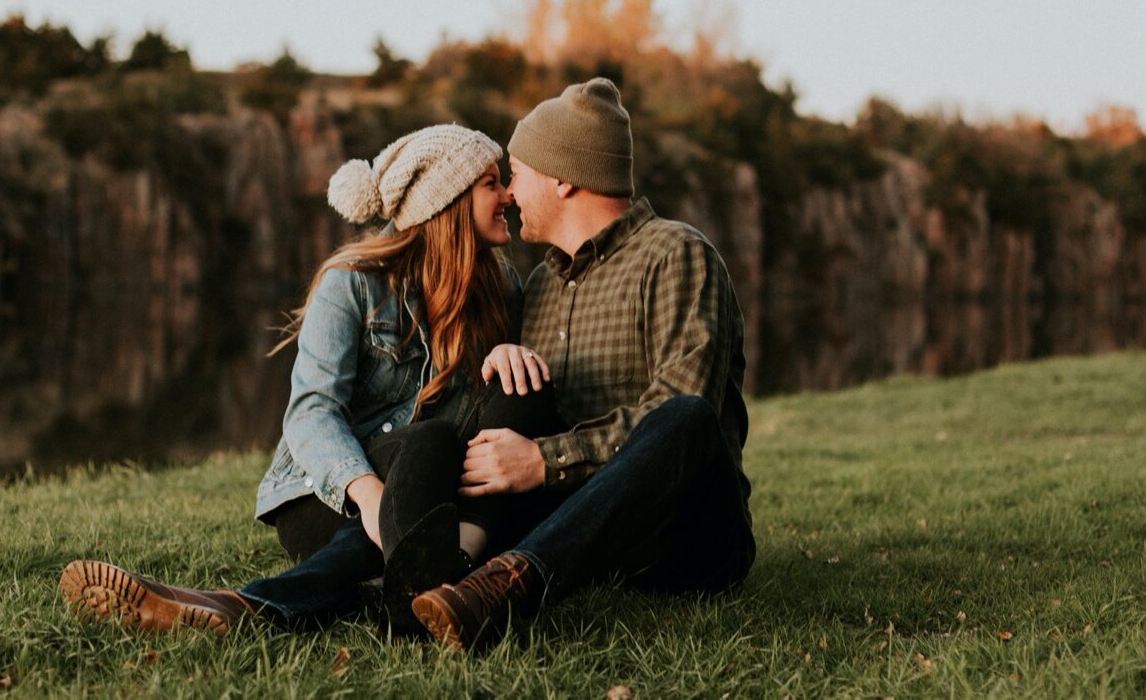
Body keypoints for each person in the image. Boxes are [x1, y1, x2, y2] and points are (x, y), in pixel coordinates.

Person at [59, 124, 559, 635]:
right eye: (491, 183)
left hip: (431, 498)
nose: (508, 196)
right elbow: (311, 412)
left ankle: (416, 585)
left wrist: (505, 352)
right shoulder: (354, 282)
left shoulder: (502, 287)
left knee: (525, 387)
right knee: (426, 444)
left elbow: (496, 418)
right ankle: (268, 603)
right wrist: (367, 496)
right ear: (447, 199)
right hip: (330, 497)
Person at [411, 77, 755, 649]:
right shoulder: (541, 284)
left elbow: (680, 412)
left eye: (516, 174)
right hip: (580, 531)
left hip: (686, 536)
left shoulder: (677, 255)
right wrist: (502, 357)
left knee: (686, 415)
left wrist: (543, 462)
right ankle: (294, 594)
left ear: (563, 178)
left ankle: (507, 583)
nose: (510, 193)